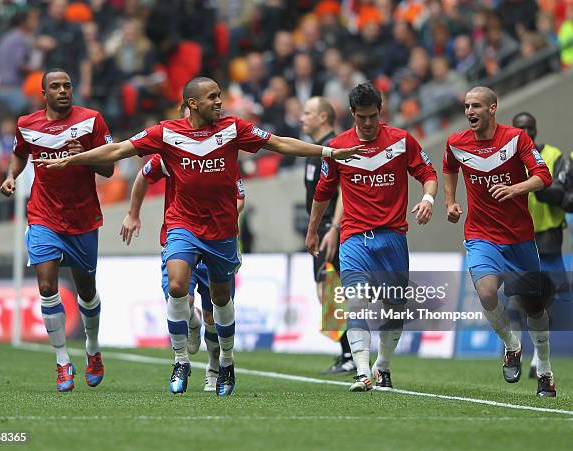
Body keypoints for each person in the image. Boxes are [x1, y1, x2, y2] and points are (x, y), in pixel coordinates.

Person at [33, 76, 362, 396]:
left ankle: (227, 362)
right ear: (192, 103)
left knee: (220, 300)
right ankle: (180, 360)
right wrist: (73, 160)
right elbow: (118, 151)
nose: (219, 102)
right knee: (177, 286)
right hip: (182, 225)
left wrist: (327, 153)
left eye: (220, 96)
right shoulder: (166, 133)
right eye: (213, 97)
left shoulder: (234, 128)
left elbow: (278, 143)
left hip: (221, 230)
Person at [306, 82, 438, 392]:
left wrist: (428, 199)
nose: (368, 123)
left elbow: (428, 175)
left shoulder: (401, 142)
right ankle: (363, 372)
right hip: (354, 238)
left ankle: (383, 365)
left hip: (392, 237)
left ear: (381, 112)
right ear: (352, 113)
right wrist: (313, 230)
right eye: (362, 117)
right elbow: (323, 193)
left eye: (373, 116)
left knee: (394, 308)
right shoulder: (339, 148)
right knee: (356, 302)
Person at [0, 68, 114, 392]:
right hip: (43, 215)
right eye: (56, 86)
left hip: (82, 218)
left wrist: (87, 158)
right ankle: (63, 360)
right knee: (47, 284)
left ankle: (92, 348)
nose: (63, 90)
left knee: (86, 290)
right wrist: (11, 176)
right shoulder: (27, 124)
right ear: (44, 94)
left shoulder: (92, 120)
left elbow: (109, 168)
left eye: (67, 85)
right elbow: (20, 153)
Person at [443, 87, 556, 397]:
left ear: (493, 108)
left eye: (476, 106)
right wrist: (450, 202)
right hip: (481, 234)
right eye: (466, 106)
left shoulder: (516, 138)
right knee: (486, 291)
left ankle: (544, 369)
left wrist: (516, 189)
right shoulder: (456, 142)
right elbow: (449, 168)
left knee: (534, 307)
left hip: (519, 237)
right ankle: (512, 345)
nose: (469, 112)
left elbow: (543, 175)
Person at [120, 153, 245, 392]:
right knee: (178, 296)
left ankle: (215, 367)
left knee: (213, 314)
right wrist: (133, 212)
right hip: (182, 237)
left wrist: (217, 214)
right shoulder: (171, 151)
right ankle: (186, 339)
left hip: (216, 238)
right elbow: (143, 174)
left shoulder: (223, 154)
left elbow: (240, 198)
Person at [511, 112, 569, 378]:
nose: (526, 132)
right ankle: (514, 350)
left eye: (530, 128)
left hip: (547, 237)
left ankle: (538, 357)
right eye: (520, 128)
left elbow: (560, 193)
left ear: (536, 129)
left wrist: (533, 183)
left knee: (548, 298)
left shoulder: (555, 155)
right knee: (515, 299)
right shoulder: (506, 157)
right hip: (516, 238)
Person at [300, 96, 355, 375]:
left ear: (323, 117)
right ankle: (348, 352)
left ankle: (351, 354)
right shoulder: (316, 150)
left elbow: (344, 189)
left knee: (335, 291)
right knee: (328, 292)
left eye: (307, 113)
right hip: (322, 230)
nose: (301, 118)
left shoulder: (335, 146)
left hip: (335, 229)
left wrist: (334, 227)